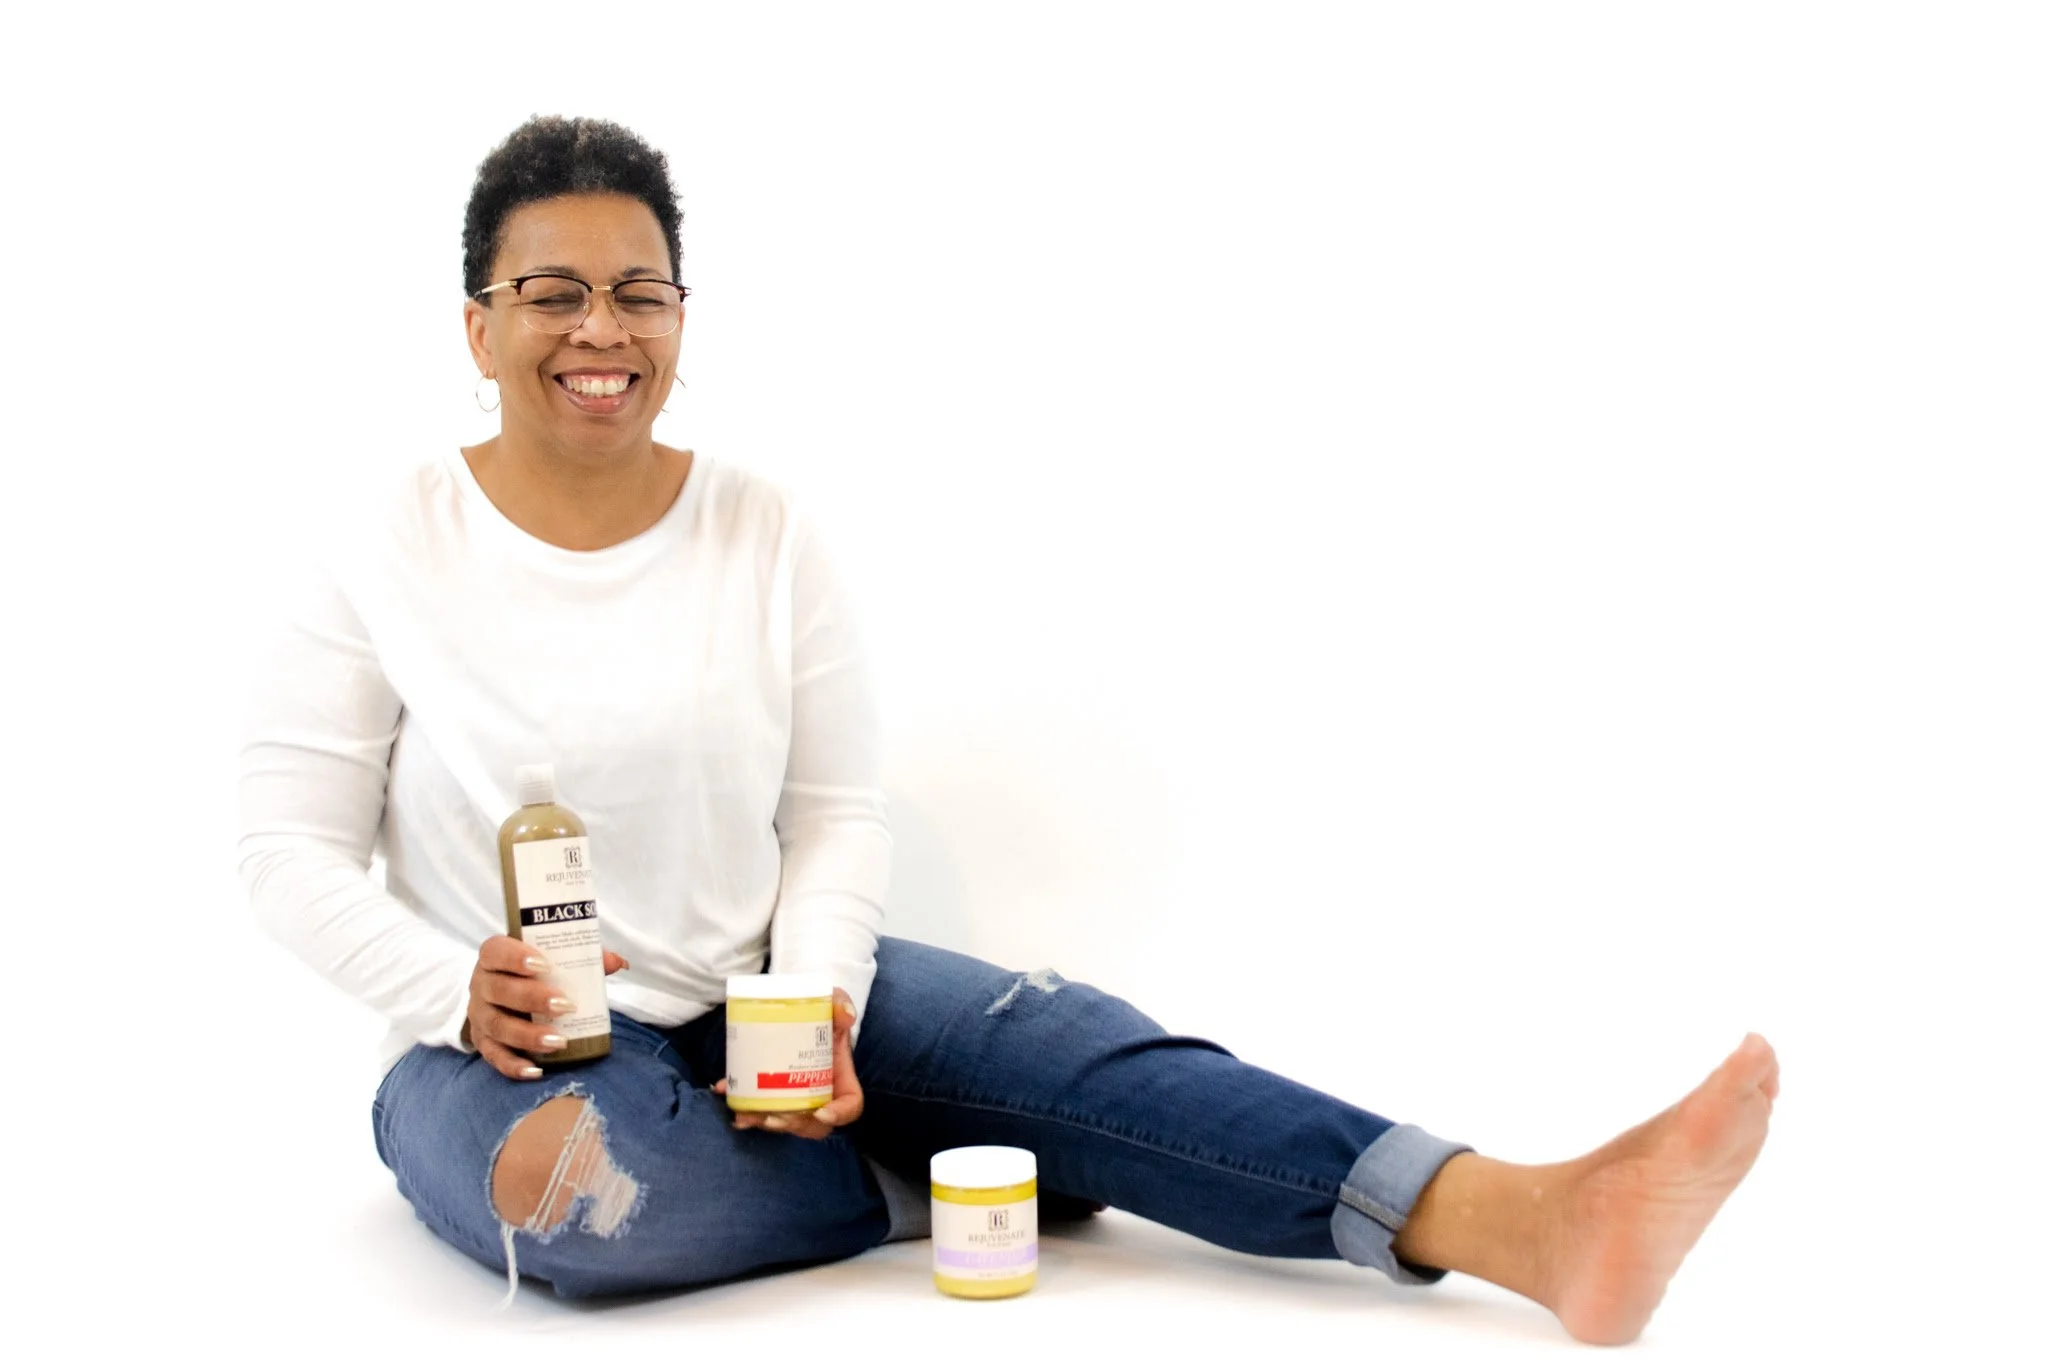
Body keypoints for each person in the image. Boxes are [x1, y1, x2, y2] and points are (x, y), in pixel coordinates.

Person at [236, 116, 1777, 1345]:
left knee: (1085, 1056)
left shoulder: (764, 530)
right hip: (496, 1052)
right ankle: (943, 1185)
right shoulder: (383, 545)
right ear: (477, 326)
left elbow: (833, 814)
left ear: (682, 317)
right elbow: (283, 848)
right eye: (553, 292)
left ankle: (1536, 1219)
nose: (602, 328)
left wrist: (817, 1002)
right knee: (576, 1196)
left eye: (641, 291)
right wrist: (451, 991)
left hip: (763, 992)